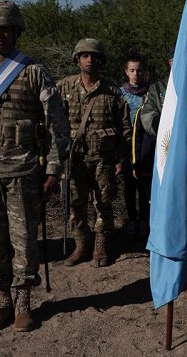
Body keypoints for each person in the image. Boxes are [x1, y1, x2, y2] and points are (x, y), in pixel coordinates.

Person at [0, 0, 70, 332]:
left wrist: (54, 168)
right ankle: (2, 303)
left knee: (23, 239)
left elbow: (56, 122)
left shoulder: (32, 72)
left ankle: (24, 303)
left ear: (17, 31)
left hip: (23, 173)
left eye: (6, 27)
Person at [57, 38, 131, 268]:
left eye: (94, 56)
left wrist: (121, 158)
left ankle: (100, 245)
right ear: (77, 59)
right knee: (74, 204)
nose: (90, 60)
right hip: (73, 159)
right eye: (85, 55)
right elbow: (51, 123)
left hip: (103, 160)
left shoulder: (112, 91)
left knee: (103, 203)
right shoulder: (63, 88)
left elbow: (124, 127)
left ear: (101, 60)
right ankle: (81, 245)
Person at [120, 49, 150, 238]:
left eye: (139, 71)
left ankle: (145, 221)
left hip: (145, 147)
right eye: (132, 70)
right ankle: (132, 219)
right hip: (126, 146)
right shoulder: (120, 94)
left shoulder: (151, 94)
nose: (136, 74)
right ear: (126, 72)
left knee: (145, 187)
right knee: (129, 186)